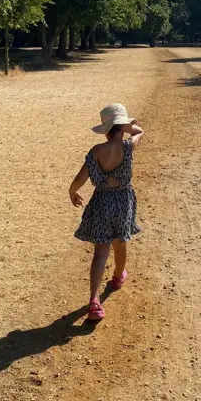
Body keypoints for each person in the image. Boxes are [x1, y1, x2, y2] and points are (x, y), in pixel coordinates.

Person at [69, 104, 144, 321]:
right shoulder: (128, 147)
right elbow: (140, 132)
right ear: (121, 127)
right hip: (123, 201)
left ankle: (94, 301)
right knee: (120, 243)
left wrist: (72, 192)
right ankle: (118, 277)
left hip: (101, 201)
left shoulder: (96, 152)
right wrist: (129, 127)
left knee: (101, 252)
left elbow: (80, 178)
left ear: (105, 128)